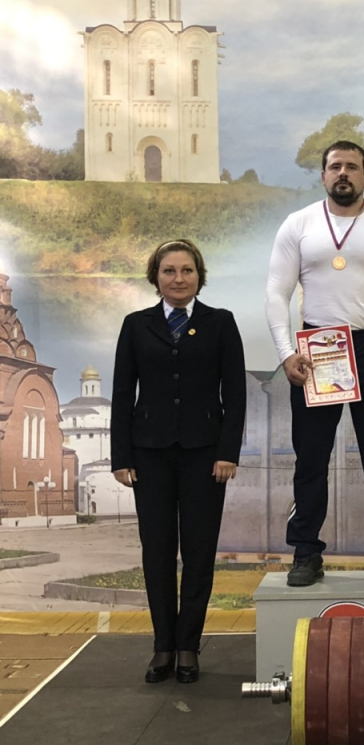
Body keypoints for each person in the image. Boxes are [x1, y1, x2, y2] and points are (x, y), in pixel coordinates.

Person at [266, 140, 364, 587]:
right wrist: (285, 353)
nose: (343, 173)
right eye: (335, 166)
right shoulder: (298, 224)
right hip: (317, 350)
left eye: (352, 167)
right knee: (311, 458)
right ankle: (305, 552)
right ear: (322, 175)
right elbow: (276, 292)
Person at [112, 239, 246, 684]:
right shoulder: (136, 325)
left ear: (199, 276)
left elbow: (235, 394)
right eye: (169, 271)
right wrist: (121, 456)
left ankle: (188, 645)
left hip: (205, 456)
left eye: (187, 270)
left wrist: (228, 452)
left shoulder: (220, 323)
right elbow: (122, 394)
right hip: (148, 455)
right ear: (156, 277)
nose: (178, 278)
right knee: (157, 552)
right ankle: (162, 647)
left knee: (199, 552)